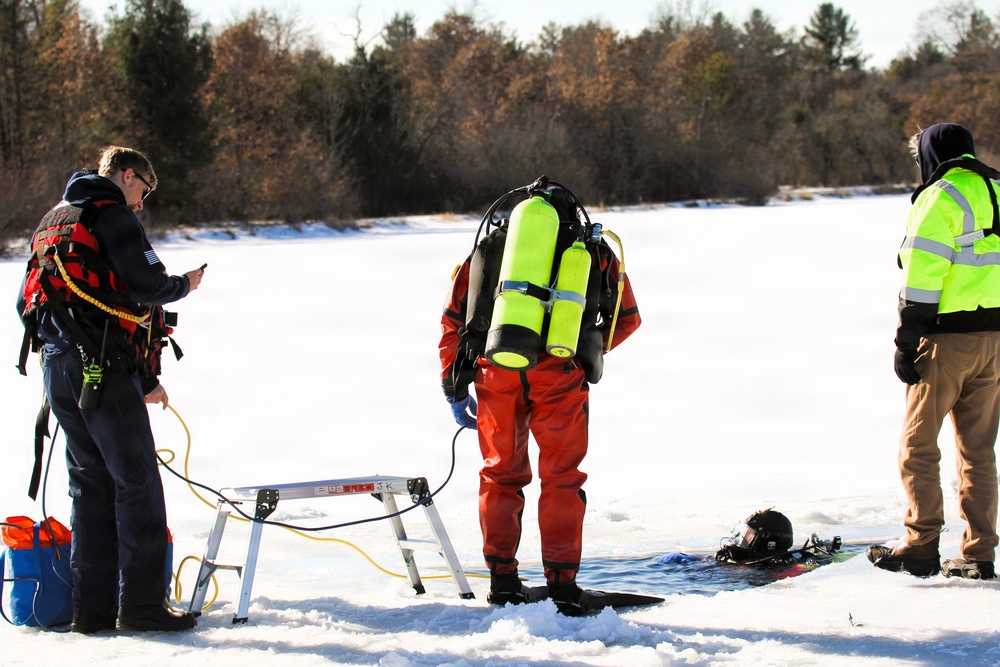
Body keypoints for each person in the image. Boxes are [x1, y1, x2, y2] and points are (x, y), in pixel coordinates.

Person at [15, 146, 206, 632]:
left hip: (57, 368)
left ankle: (92, 611)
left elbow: (25, 301)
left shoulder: (53, 220)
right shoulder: (113, 216)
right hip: (100, 367)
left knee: (90, 488)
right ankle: (142, 607)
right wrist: (184, 284)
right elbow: (146, 283)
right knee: (136, 482)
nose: (141, 201)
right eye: (143, 188)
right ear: (126, 175)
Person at [438, 177, 641, 615]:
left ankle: (503, 582)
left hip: (497, 374)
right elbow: (627, 319)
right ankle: (564, 587)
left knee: (499, 476)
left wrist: (453, 384)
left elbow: (454, 319)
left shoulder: (491, 248)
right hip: (560, 376)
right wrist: (585, 349)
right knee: (562, 477)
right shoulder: (593, 250)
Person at [868, 123, 1000, 580]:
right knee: (978, 450)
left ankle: (921, 544)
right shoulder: (997, 190)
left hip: (945, 341)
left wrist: (907, 340)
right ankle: (979, 555)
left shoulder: (941, 195)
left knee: (918, 447)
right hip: (995, 342)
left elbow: (923, 276)